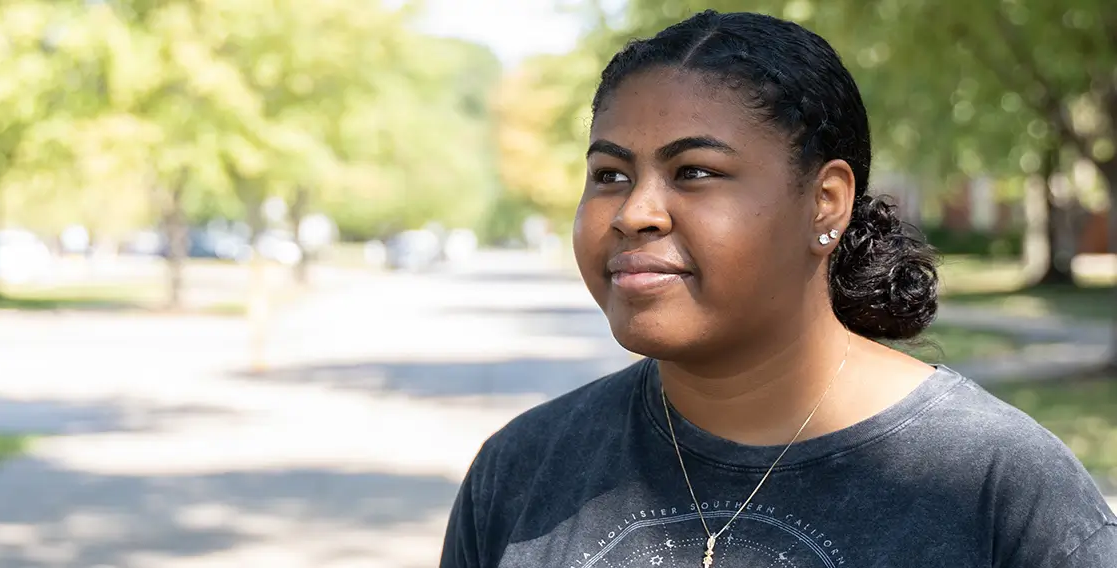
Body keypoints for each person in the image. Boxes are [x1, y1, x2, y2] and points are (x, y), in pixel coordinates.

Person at [439, 10, 1116, 568]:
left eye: (695, 171)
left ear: (825, 202)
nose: (633, 212)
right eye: (610, 174)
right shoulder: (522, 470)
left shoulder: (1001, 489)